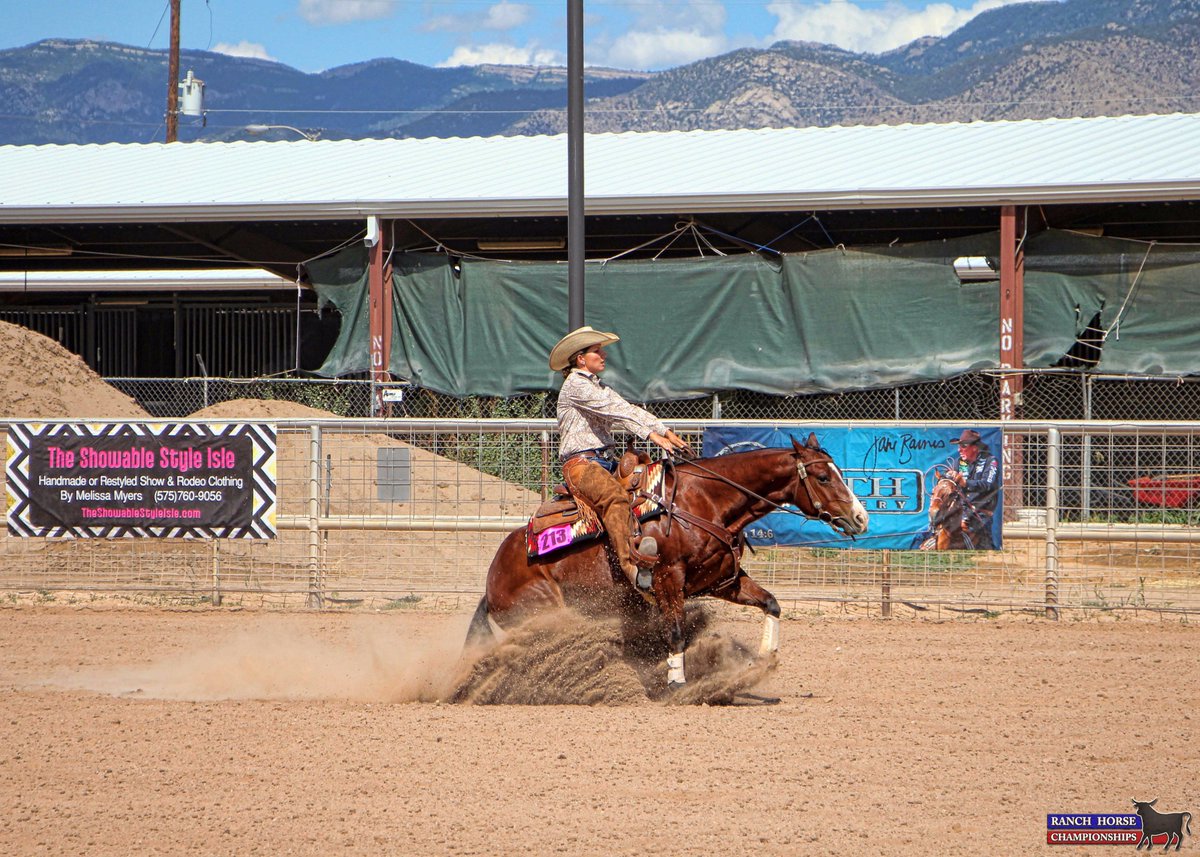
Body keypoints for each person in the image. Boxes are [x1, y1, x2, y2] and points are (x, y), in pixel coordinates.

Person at [549, 325, 692, 591]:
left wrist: (664, 431)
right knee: (614, 498)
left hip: (604, 462)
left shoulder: (597, 385)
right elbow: (617, 412)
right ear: (581, 359)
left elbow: (626, 409)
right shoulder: (576, 386)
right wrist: (653, 435)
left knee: (650, 485)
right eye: (597, 350)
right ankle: (632, 568)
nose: (603, 354)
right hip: (582, 465)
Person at [944, 429, 1001, 549]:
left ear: (975, 447)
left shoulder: (990, 461)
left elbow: (988, 485)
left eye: (963, 446)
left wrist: (965, 483)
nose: (959, 449)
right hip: (958, 511)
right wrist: (947, 479)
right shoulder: (958, 463)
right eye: (959, 446)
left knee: (981, 547)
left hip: (980, 513)